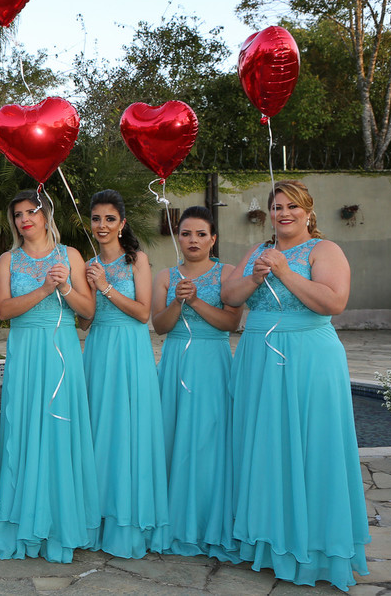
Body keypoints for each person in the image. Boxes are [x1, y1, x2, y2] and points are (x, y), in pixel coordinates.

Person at [220, 180, 368, 591]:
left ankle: (315, 547)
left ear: (308, 211)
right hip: (257, 358)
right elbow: (229, 295)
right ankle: (269, 543)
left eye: (292, 206)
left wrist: (285, 273)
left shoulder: (324, 250)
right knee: (264, 446)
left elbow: (334, 302)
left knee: (312, 445)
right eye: (277, 207)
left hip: (308, 357)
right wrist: (256, 276)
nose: (283, 213)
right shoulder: (258, 251)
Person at [0, 189, 99, 563]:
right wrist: (44, 289)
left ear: (46, 214)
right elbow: (4, 310)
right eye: (18, 214)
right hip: (25, 350)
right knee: (22, 428)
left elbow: (88, 311)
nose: (24, 219)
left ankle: (60, 523)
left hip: (62, 350)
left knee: (59, 428)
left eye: (31, 212)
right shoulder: (8, 260)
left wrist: (65, 286)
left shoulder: (70, 255)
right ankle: (22, 522)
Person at [150, 205, 241, 562]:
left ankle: (208, 521)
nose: (193, 240)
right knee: (173, 437)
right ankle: (175, 520)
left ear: (213, 238)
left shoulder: (228, 274)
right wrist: (177, 301)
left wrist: (197, 300)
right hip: (175, 362)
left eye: (201, 234)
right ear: (178, 237)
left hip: (213, 362)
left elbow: (231, 323)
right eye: (186, 233)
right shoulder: (165, 275)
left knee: (210, 439)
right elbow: (160, 326)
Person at [82, 189, 169, 558]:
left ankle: (127, 520)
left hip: (130, 349)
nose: (102, 225)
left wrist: (104, 286)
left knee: (127, 428)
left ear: (122, 223)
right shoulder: (88, 263)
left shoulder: (137, 259)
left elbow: (142, 312)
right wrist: (75, 292)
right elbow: (86, 320)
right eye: (96, 219)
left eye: (109, 219)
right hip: (99, 347)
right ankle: (96, 516)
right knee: (98, 427)